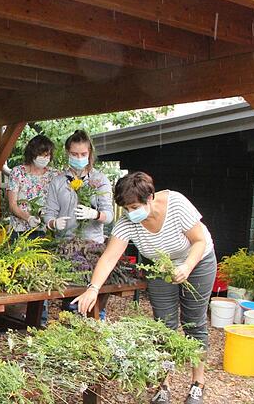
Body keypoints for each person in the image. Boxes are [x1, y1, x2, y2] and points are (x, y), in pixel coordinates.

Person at [72, 171, 216, 404]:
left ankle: (197, 383)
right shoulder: (128, 222)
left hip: (197, 262)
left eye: (134, 207)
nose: (130, 213)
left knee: (194, 323)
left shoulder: (176, 204)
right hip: (161, 267)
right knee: (164, 326)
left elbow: (199, 240)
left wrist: (187, 267)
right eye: (126, 209)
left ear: (150, 197)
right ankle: (164, 384)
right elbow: (109, 258)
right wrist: (93, 288)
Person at [43, 129, 113, 242]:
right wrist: (53, 223)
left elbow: (109, 216)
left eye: (83, 154)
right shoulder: (58, 182)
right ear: (67, 152)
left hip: (92, 243)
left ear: (89, 153)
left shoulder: (100, 179)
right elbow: (49, 213)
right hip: (63, 243)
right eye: (74, 154)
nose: (79, 158)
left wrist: (95, 214)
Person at [6, 135, 58, 238]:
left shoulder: (54, 174)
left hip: (45, 230)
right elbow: (12, 205)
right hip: (19, 230)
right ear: (32, 154)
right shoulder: (18, 172)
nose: (45, 158)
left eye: (47, 155)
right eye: (41, 155)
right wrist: (28, 218)